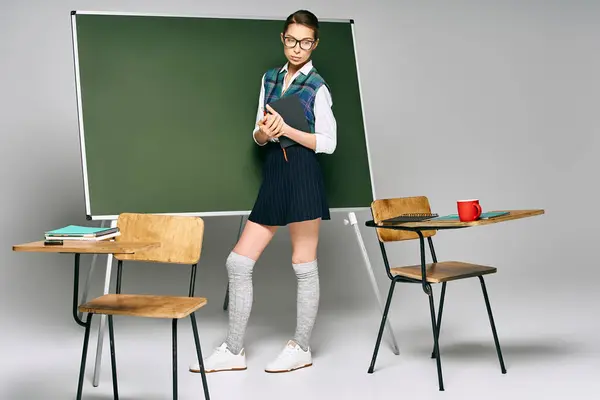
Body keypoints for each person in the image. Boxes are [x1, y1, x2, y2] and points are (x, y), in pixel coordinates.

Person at [189, 9, 337, 374]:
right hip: (274, 171)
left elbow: (328, 143)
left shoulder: (318, 86)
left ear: (314, 43)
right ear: (283, 39)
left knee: (303, 264)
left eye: (305, 41)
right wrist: (266, 134)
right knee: (238, 262)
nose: (297, 47)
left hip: (303, 171)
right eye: (291, 40)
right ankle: (234, 350)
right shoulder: (269, 78)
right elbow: (257, 133)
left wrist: (288, 129)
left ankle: (301, 346)